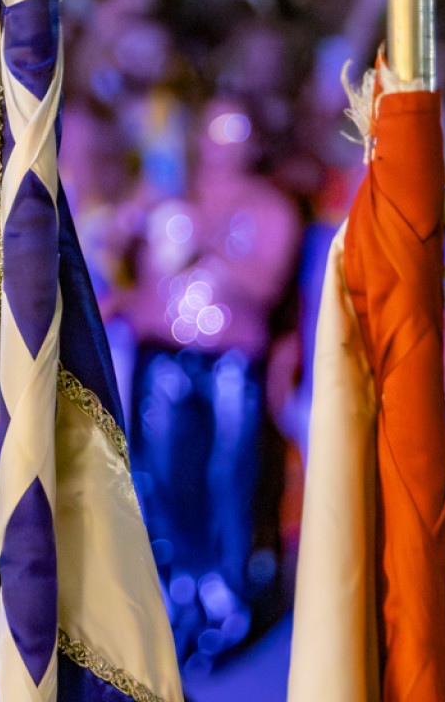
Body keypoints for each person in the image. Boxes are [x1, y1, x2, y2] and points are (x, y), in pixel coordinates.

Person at [124, 93, 300, 663]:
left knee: (228, 480)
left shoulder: (271, 208)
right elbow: (131, 263)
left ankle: (226, 609)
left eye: (237, 129)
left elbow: (266, 283)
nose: (223, 144)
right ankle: (172, 603)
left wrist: (209, 243)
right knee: (163, 481)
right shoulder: (166, 198)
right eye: (214, 128)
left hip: (228, 363)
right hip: (162, 356)